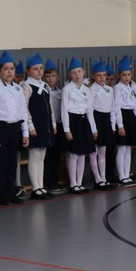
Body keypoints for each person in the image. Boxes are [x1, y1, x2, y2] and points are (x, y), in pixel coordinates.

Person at [0, 50, 29, 206]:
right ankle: (1, 193)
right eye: (6, 69)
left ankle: (12, 191)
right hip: (0, 127)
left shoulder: (18, 89)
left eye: (12, 69)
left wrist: (25, 132)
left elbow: (22, 111)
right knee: (0, 162)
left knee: (12, 162)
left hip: (15, 128)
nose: (9, 72)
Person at [22, 53, 55, 200]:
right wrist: (30, 125)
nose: (39, 71)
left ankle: (41, 186)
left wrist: (53, 123)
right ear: (28, 71)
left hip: (45, 125)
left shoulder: (45, 85)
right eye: (35, 69)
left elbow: (50, 107)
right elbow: (24, 107)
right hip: (35, 125)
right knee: (34, 156)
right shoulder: (26, 86)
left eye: (41, 68)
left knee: (42, 156)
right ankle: (35, 188)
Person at [61, 57, 96, 194]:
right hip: (72, 121)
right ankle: (73, 183)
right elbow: (64, 110)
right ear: (70, 74)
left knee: (83, 154)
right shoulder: (67, 89)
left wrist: (93, 129)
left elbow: (90, 111)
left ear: (83, 72)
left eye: (79, 71)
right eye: (74, 72)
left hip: (83, 121)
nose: (77, 74)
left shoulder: (87, 90)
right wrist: (67, 129)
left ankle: (79, 182)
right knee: (74, 154)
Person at [89, 60, 116, 190]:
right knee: (94, 152)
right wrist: (93, 129)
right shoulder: (91, 90)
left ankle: (104, 178)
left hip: (106, 121)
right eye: (98, 75)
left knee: (103, 152)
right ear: (93, 76)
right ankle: (97, 179)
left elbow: (112, 108)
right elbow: (90, 110)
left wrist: (113, 126)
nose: (101, 78)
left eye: (103, 75)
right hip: (96, 119)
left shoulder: (109, 89)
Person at [112, 56, 136, 186]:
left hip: (131, 117)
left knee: (129, 148)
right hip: (122, 116)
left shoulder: (132, 87)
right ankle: (121, 175)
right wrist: (120, 125)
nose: (126, 77)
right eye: (124, 75)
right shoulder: (117, 88)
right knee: (122, 148)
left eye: (128, 75)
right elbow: (117, 107)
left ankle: (127, 174)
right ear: (119, 75)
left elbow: (135, 105)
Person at [43, 58, 64, 193]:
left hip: (59, 125)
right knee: (47, 155)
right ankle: (47, 182)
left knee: (56, 154)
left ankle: (55, 180)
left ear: (58, 77)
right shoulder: (43, 91)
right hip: (48, 127)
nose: (50, 79)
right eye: (48, 76)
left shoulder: (61, 92)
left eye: (53, 76)